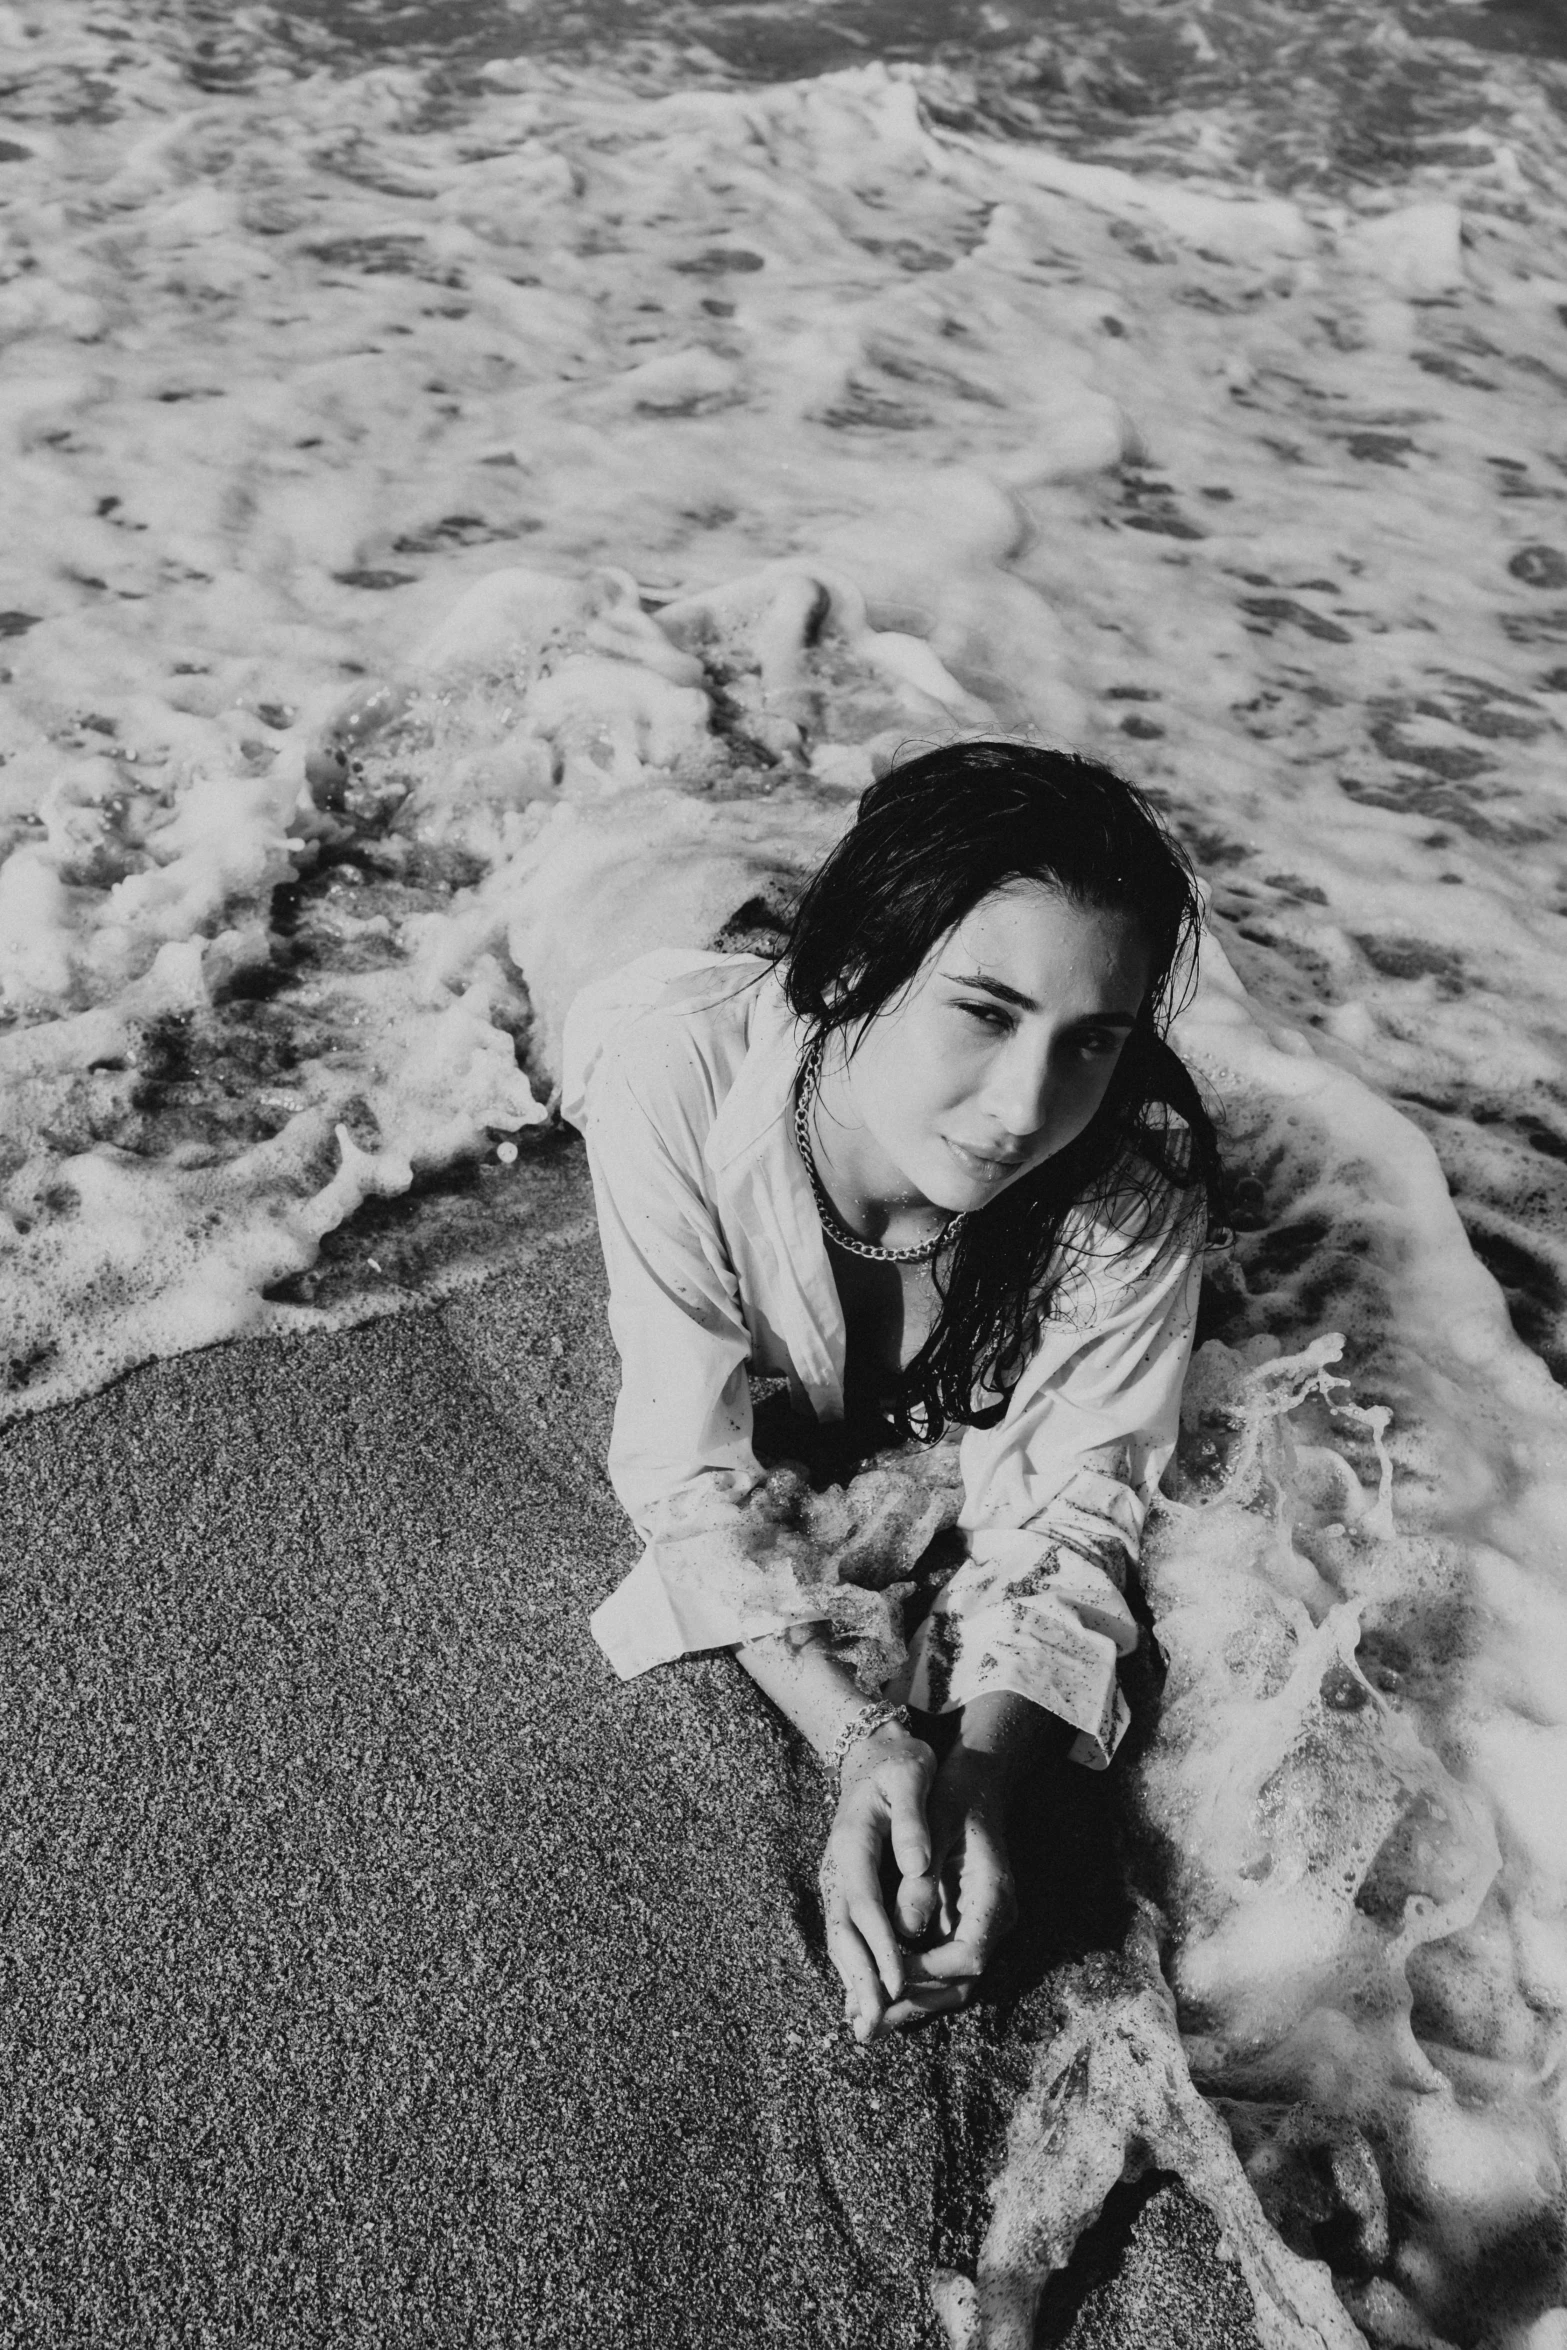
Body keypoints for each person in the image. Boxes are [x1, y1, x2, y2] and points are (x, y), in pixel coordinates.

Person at [560, 742, 1218, 2046]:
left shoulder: (1127, 1197)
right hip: (607, 950)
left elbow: (1075, 1512)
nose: (1029, 1105)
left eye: (1089, 1040)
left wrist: (977, 1776)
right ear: (862, 966)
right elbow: (687, 1478)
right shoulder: (674, 1082)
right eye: (982, 1009)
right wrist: (859, 1735)